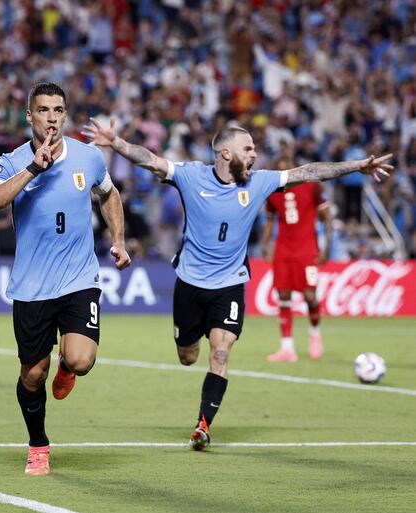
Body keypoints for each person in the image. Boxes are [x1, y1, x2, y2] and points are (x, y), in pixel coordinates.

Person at [82, 120, 391, 451]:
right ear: (226, 153)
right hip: (189, 283)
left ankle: (203, 425)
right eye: (249, 149)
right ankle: (192, 349)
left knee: (220, 351)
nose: (255, 154)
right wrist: (115, 143)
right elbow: (150, 159)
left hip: (229, 285)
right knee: (188, 356)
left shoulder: (260, 182)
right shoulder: (191, 176)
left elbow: (310, 172)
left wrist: (357, 166)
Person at [0, 82, 131, 475]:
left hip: (80, 278)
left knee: (81, 360)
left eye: (57, 110)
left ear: (65, 116)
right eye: (43, 110)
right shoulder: (13, 161)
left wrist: (118, 239)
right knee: (32, 375)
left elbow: (109, 194)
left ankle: (67, 366)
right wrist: (34, 168)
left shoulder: (89, 157)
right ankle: (38, 445)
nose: (50, 117)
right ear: (29, 116)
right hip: (32, 286)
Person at [261, 180, 333, 362]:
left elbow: (327, 215)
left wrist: (327, 247)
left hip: (307, 250)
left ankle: (315, 332)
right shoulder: (273, 191)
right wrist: (264, 243)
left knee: (310, 295)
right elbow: (270, 220)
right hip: (283, 251)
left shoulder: (312, 186)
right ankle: (287, 348)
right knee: (283, 297)